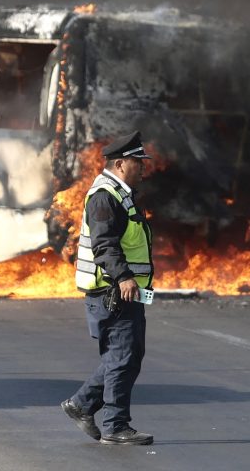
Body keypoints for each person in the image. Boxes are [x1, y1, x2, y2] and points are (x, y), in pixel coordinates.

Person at [61, 130, 156, 446]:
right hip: (111, 293)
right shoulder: (105, 196)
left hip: (124, 293)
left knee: (127, 355)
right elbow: (104, 245)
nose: (143, 167)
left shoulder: (121, 194)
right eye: (138, 162)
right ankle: (115, 426)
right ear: (120, 164)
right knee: (122, 357)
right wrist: (124, 277)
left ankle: (82, 404)